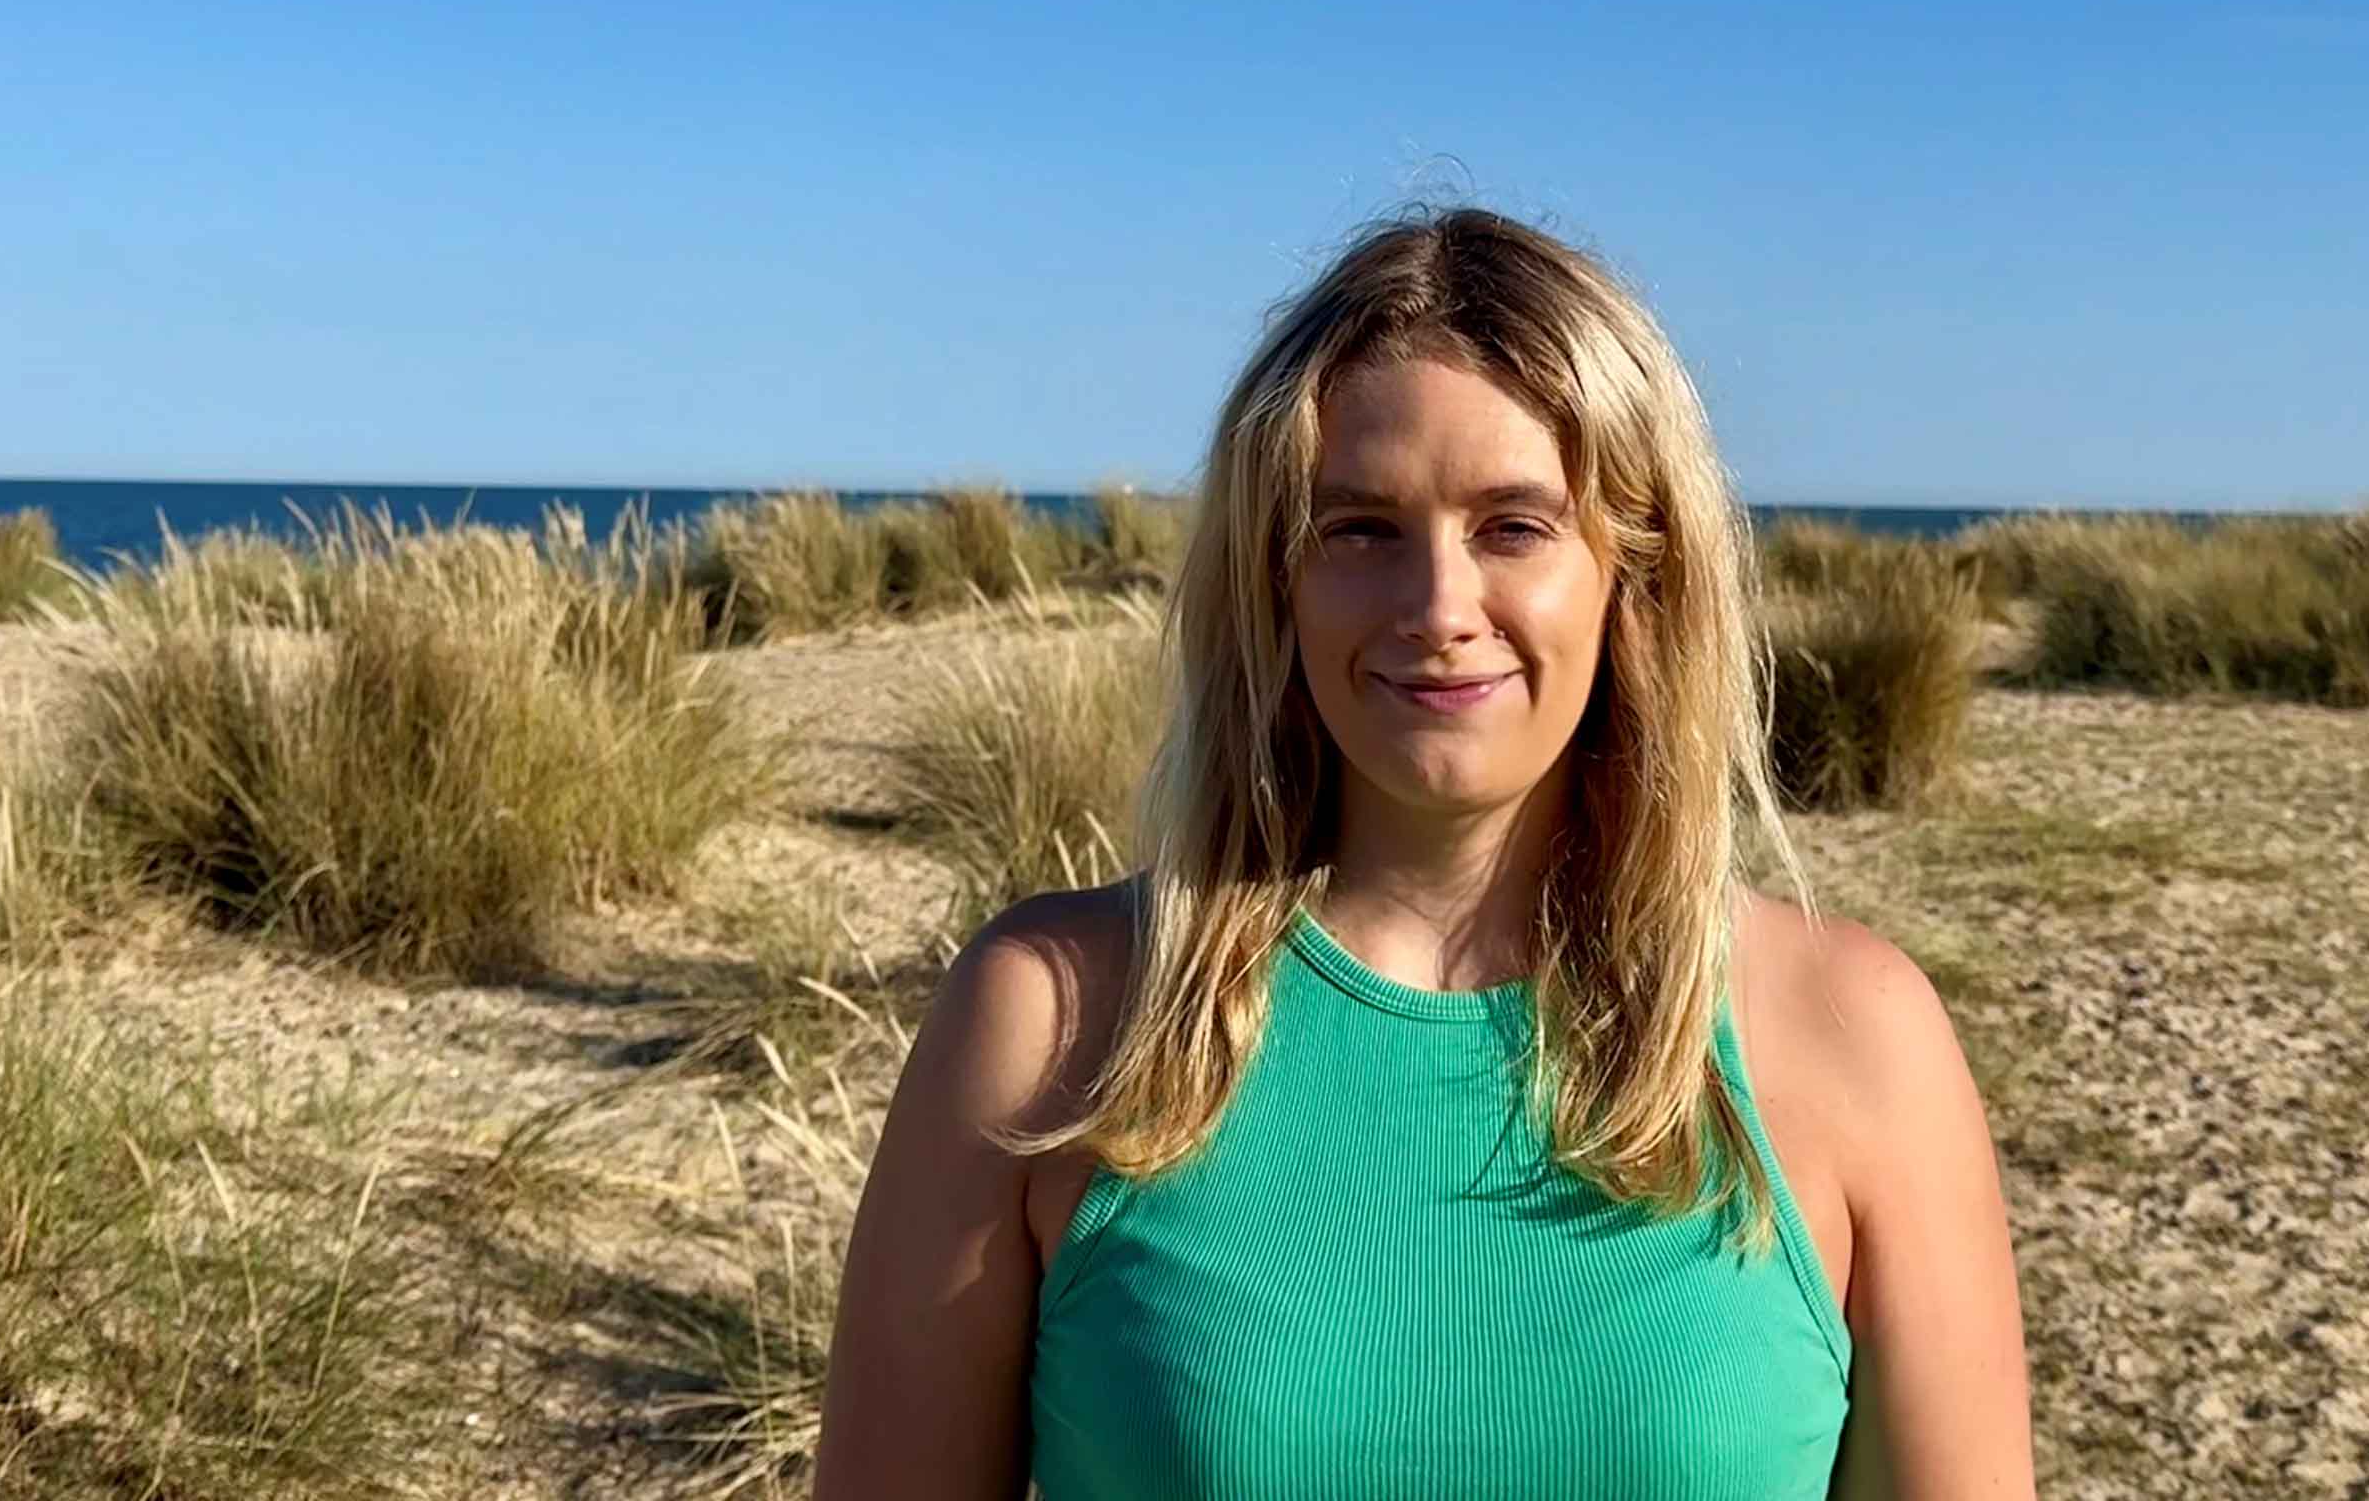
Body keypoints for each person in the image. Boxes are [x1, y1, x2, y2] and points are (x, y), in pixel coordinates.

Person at [811, 206, 2036, 1498]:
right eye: (1360, 530)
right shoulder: (1056, 1024)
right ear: (1275, 580)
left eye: (1514, 527)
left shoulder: (1852, 1036)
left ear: (1634, 572)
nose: (1439, 608)